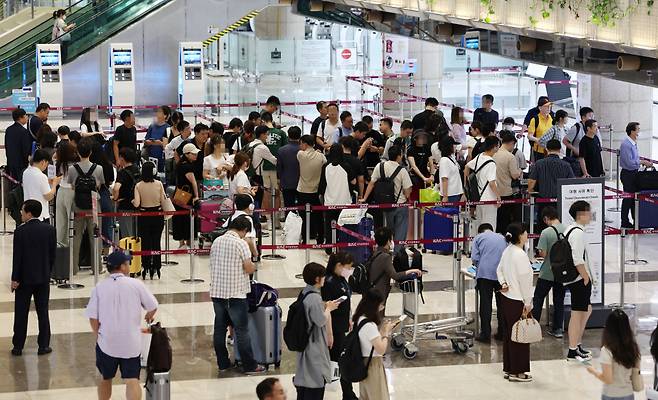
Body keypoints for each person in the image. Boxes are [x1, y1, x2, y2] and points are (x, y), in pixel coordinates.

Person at [85, 250, 158, 400]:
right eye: (128, 263)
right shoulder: (136, 284)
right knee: (132, 380)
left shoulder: (99, 287)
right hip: (131, 342)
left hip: (107, 342)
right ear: (122, 267)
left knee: (105, 378)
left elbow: (93, 317)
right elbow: (152, 305)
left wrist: (98, 335)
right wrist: (149, 315)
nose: (129, 266)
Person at [210, 216, 265, 374]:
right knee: (241, 331)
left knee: (220, 330)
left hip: (217, 293)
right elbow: (248, 268)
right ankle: (250, 365)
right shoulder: (241, 244)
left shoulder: (217, 241)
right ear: (245, 230)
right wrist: (253, 266)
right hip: (236, 294)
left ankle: (223, 363)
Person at [11, 200, 56, 357]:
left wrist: (14, 279)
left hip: (24, 279)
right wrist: (47, 272)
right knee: (43, 312)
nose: (21, 214)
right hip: (43, 278)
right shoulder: (50, 230)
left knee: (21, 313)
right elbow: (52, 256)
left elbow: (17, 258)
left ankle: (18, 346)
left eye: (22, 211)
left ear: (29, 213)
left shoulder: (20, 232)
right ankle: (43, 345)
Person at [293, 262, 339, 399]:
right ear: (317, 279)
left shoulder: (305, 292)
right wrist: (329, 308)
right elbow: (320, 321)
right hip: (313, 344)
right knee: (314, 382)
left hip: (305, 342)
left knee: (304, 379)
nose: (325, 279)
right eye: (323, 276)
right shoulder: (314, 297)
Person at [496, 222, 533, 382]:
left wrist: (503, 283)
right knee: (520, 336)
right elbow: (525, 280)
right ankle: (518, 372)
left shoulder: (507, 251)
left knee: (509, 335)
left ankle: (509, 367)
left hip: (506, 298)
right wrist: (528, 302)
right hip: (518, 300)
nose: (527, 235)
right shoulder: (520, 254)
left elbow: (499, 270)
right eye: (525, 232)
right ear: (519, 235)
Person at [361, 146, 413, 249]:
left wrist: (364, 198)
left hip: (384, 205)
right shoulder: (402, 170)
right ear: (399, 156)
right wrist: (407, 195)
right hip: (400, 205)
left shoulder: (379, 166)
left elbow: (371, 183)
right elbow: (407, 191)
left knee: (387, 230)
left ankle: (384, 250)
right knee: (400, 231)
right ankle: (397, 254)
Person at [321, 252, 357, 400]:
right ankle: (348, 394)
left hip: (341, 326)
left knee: (340, 362)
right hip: (333, 330)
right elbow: (326, 308)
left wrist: (349, 318)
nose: (350, 270)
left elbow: (346, 300)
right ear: (338, 266)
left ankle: (348, 394)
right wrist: (329, 334)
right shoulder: (329, 283)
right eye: (348, 267)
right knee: (337, 362)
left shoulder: (342, 279)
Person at [586, 309, 641, 400]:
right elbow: (636, 371)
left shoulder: (607, 350)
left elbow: (608, 379)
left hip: (611, 395)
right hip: (628, 394)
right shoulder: (633, 347)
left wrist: (593, 371)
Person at [68, 138, 105, 270]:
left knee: (76, 237)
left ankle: (73, 268)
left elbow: (72, 186)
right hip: (94, 205)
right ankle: (97, 267)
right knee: (95, 236)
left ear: (78, 152)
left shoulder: (72, 169)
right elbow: (99, 186)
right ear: (90, 152)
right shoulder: (98, 168)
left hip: (78, 205)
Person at [565, 200, 594, 362]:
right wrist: (585, 276)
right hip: (578, 278)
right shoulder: (577, 233)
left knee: (586, 310)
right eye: (588, 212)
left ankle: (577, 344)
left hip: (576, 277)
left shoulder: (572, 229)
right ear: (581, 214)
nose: (591, 215)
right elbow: (577, 258)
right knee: (577, 314)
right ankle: (572, 350)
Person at [531, 206, 566, 338]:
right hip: (562, 272)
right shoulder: (567, 229)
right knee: (559, 300)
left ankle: (534, 328)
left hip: (547, 271)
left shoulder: (546, 232)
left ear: (546, 218)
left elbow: (543, 253)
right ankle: (558, 329)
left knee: (538, 299)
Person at [369, 227, 422, 313]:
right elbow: (395, 276)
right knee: (378, 318)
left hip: (373, 291)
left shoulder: (376, 253)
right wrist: (411, 271)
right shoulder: (385, 257)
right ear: (388, 241)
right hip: (379, 293)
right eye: (391, 239)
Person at [352, 288, 393, 399]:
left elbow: (371, 340)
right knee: (377, 396)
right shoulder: (369, 325)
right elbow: (381, 349)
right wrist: (386, 333)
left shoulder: (360, 319)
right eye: (380, 305)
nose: (381, 308)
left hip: (364, 362)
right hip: (373, 365)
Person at [471, 223, 507, 343]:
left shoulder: (478, 238)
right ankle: (502, 332)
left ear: (480, 231)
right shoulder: (502, 237)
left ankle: (485, 334)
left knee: (485, 304)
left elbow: (475, 258)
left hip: (485, 274)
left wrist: (480, 265)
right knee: (501, 304)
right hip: (501, 275)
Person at [132, 161, 167, 280]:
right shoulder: (159, 184)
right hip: (157, 215)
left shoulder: (138, 185)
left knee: (145, 242)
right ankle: (157, 266)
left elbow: (136, 203)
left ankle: (146, 265)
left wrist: (133, 202)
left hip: (144, 215)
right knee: (156, 241)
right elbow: (163, 200)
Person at [319, 144, 355, 253]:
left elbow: (322, 185)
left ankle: (329, 247)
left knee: (329, 226)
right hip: (344, 202)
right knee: (343, 226)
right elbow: (353, 181)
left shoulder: (326, 166)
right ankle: (342, 247)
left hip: (329, 201)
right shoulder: (346, 166)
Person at [619, 122, 652, 228]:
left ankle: (636, 221)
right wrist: (642, 162)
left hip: (634, 173)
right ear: (632, 131)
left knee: (634, 199)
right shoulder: (626, 144)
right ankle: (624, 222)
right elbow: (629, 162)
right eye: (637, 129)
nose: (639, 132)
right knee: (628, 198)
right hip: (628, 174)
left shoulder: (633, 143)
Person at [464, 136, 501, 231]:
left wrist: (466, 184)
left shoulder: (479, 156)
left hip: (479, 197)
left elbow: (467, 167)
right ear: (494, 147)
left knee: (480, 225)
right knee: (490, 225)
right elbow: (492, 183)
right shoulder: (491, 163)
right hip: (489, 199)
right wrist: (498, 196)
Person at [297, 135, 326, 244]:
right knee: (318, 216)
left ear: (304, 144)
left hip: (302, 190)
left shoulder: (300, 154)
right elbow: (325, 162)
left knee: (304, 217)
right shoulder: (321, 156)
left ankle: (305, 239)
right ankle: (320, 239)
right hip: (315, 190)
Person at [172, 143, 200, 248]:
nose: (195, 155)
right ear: (187, 154)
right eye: (193, 154)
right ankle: (188, 241)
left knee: (180, 218)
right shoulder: (187, 167)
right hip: (187, 197)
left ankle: (182, 242)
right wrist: (196, 196)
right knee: (187, 218)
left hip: (179, 195)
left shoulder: (180, 163)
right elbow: (193, 183)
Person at [493, 131, 522, 234]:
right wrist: (519, 171)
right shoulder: (510, 157)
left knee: (497, 219)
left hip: (494, 191)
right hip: (506, 192)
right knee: (506, 220)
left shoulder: (494, 154)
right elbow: (514, 175)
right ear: (511, 143)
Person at [22, 149, 61, 223]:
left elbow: (36, 186)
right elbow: (48, 196)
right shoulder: (41, 176)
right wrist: (54, 184)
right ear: (43, 162)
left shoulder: (26, 172)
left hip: (28, 213)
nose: (46, 166)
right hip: (41, 215)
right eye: (47, 163)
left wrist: (49, 182)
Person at [261, 111, 288, 213]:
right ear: (272, 120)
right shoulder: (281, 133)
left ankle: (267, 217)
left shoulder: (260, 133)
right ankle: (277, 217)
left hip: (264, 167)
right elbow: (285, 150)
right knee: (277, 193)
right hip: (278, 168)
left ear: (263, 121)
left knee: (266, 192)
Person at [112, 148, 140, 238]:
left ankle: (128, 252)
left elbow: (116, 188)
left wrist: (115, 198)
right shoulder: (137, 170)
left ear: (122, 158)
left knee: (126, 234)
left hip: (125, 205)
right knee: (135, 233)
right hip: (137, 204)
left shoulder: (122, 173)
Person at [247, 125, 278, 209]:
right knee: (257, 200)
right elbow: (274, 161)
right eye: (267, 134)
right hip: (257, 177)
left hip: (248, 175)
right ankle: (256, 219)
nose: (267, 137)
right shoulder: (262, 147)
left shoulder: (250, 144)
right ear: (262, 135)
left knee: (250, 199)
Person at [222, 194, 259, 259]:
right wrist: (255, 253)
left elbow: (223, 228)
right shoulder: (248, 219)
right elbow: (248, 239)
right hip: (241, 255)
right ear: (251, 206)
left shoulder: (231, 217)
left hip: (227, 252)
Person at [54, 141, 78, 244]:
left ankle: (60, 243)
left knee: (60, 221)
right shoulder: (75, 165)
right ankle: (70, 244)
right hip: (71, 192)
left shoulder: (59, 163)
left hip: (61, 191)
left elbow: (54, 157)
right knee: (71, 220)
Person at [277, 126, 301, 210]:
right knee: (301, 208)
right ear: (300, 136)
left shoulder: (281, 150)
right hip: (301, 183)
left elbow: (279, 168)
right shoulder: (303, 150)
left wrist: (280, 180)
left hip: (286, 182)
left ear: (288, 136)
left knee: (288, 207)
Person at [5, 108, 31, 181]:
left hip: (11, 162)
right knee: (20, 184)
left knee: (12, 183)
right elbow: (25, 150)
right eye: (26, 115)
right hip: (21, 164)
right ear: (20, 117)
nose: (27, 117)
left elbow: (7, 146)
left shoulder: (8, 130)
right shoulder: (24, 131)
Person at [436, 136, 463, 203]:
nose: (455, 147)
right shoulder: (444, 160)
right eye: (453, 145)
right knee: (450, 213)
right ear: (449, 146)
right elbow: (444, 178)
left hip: (455, 193)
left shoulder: (451, 158)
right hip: (450, 195)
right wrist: (445, 196)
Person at [407, 131, 433, 201]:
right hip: (415, 177)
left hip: (425, 175)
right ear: (415, 139)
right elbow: (413, 166)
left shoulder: (426, 148)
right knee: (415, 199)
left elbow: (431, 163)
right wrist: (423, 178)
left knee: (426, 199)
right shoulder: (411, 149)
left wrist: (432, 175)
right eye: (421, 138)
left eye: (423, 138)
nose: (423, 139)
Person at [144, 106, 170, 172]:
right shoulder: (152, 126)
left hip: (162, 158)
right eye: (157, 111)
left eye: (160, 112)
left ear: (165, 115)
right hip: (151, 157)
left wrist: (160, 143)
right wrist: (153, 142)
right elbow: (146, 141)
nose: (157, 113)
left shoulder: (168, 128)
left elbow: (168, 146)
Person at [340, 136, 366, 201]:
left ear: (342, 145)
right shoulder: (357, 161)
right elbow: (361, 180)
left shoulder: (337, 160)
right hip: (353, 192)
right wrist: (361, 195)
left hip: (338, 190)